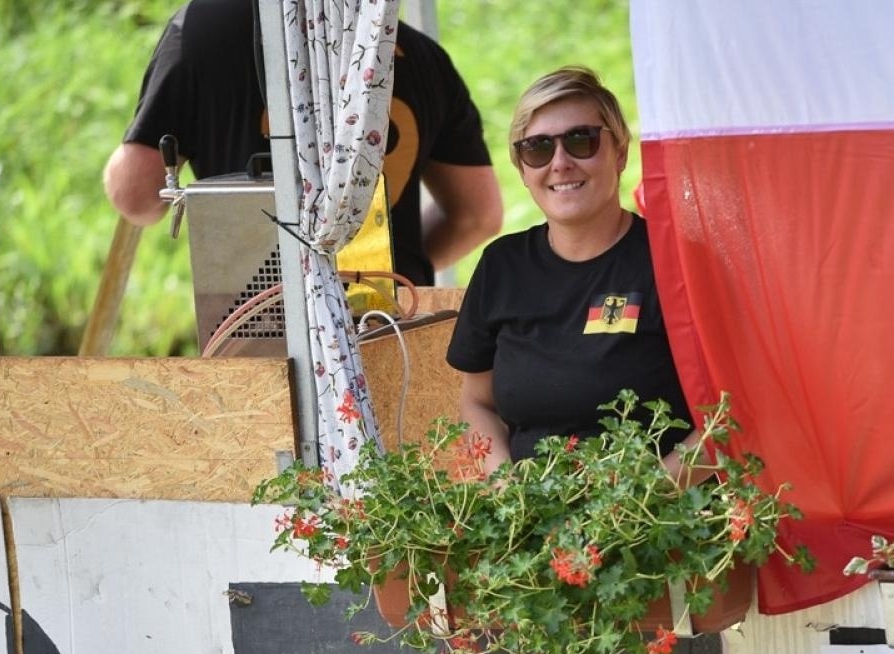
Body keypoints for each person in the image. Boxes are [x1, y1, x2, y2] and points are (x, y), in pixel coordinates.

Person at [102, 0, 501, 286]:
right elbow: (477, 215)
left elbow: (136, 194)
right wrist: (397, 269)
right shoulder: (418, 51)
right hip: (390, 322)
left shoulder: (201, 27)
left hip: (254, 321)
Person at [445, 67, 699, 480]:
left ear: (619, 152)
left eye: (582, 140)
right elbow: (478, 404)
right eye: (538, 149)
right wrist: (509, 491)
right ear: (523, 170)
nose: (560, 163)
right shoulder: (501, 266)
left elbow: (732, 414)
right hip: (532, 526)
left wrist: (640, 502)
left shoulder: (677, 263)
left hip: (656, 526)